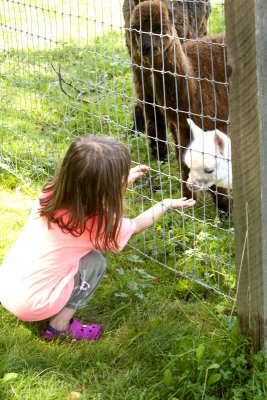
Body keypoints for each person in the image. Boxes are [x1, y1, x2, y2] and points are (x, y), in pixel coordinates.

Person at [0, 135, 195, 341]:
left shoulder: (51, 192)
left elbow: (91, 188)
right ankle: (59, 326)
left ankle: (47, 304)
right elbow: (136, 225)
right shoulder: (101, 222)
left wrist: (118, 181)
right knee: (94, 262)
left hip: (8, 286)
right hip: (32, 305)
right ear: (108, 187)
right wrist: (165, 204)